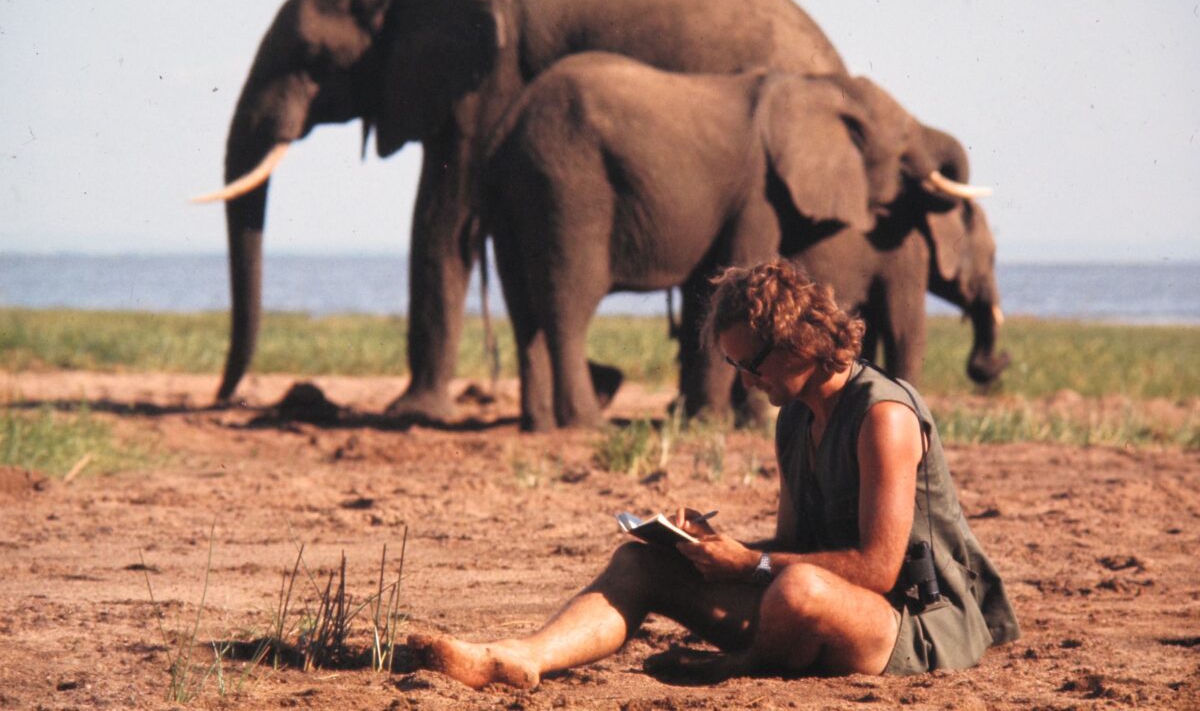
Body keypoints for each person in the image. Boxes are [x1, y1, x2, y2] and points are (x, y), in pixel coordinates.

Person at [407, 258, 1019, 688]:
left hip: (911, 625)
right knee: (641, 561)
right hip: (809, 611)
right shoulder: (794, 418)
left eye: (751, 365)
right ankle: (521, 657)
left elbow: (879, 567)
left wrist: (748, 564)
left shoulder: (883, 417)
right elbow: (797, 547)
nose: (747, 382)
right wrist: (714, 548)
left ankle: (740, 667)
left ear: (800, 343)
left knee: (797, 590)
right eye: (735, 366)